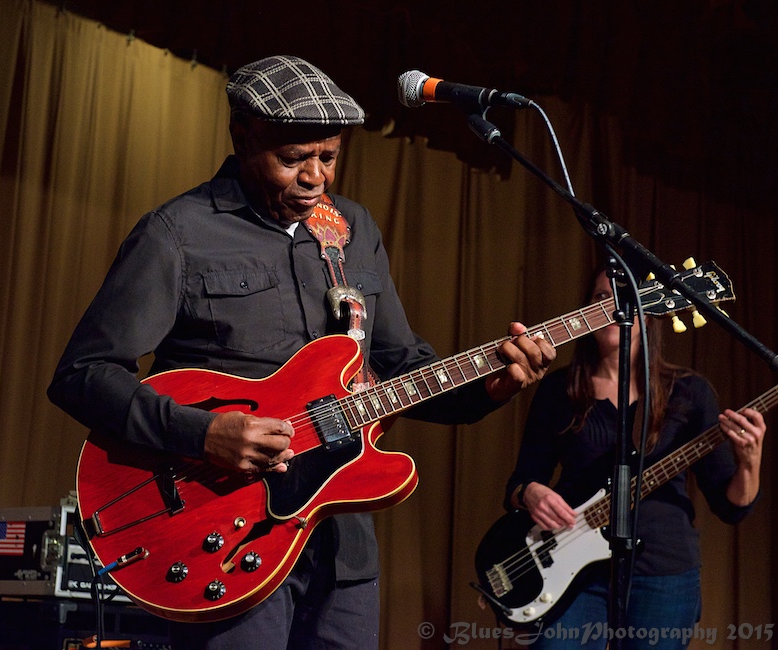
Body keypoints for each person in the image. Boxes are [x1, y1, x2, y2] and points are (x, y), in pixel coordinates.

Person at [47, 55, 556, 649]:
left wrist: (492, 383)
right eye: (293, 159)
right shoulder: (178, 233)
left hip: (341, 546)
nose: (315, 176)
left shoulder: (354, 230)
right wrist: (201, 433)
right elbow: (82, 374)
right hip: (222, 531)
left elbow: (400, 366)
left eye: (330, 156)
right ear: (243, 138)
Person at [502, 266, 765, 649]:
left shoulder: (690, 394)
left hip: (663, 572)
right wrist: (531, 494)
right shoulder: (559, 389)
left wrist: (749, 461)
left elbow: (731, 506)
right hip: (572, 571)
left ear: (651, 309)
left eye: (624, 297)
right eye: (599, 298)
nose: (610, 308)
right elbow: (518, 484)